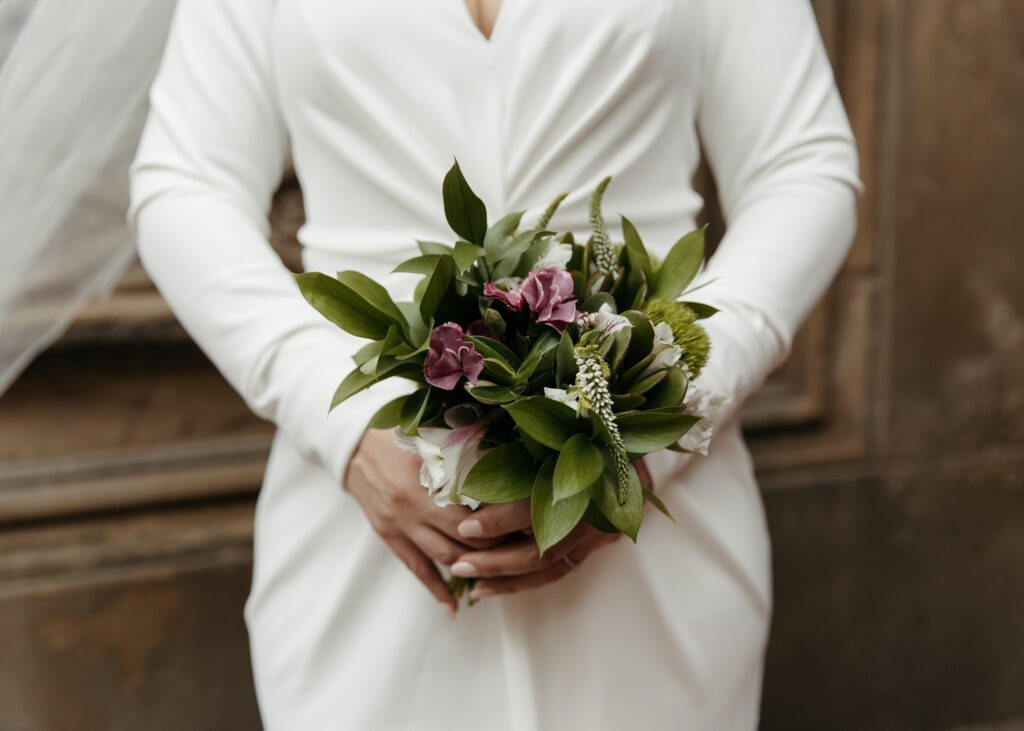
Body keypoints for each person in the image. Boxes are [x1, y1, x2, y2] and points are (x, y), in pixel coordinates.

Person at [128, 0, 861, 728]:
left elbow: (801, 167)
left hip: (652, 538)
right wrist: (345, 426)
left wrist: (660, 416)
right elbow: (186, 182)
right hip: (367, 524)